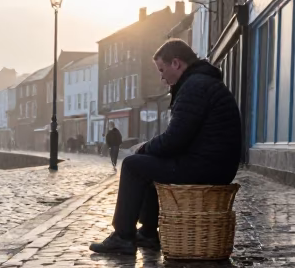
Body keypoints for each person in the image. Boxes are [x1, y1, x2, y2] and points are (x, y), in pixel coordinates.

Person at [90, 39, 242, 254]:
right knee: (152, 164)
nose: (162, 78)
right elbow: (181, 138)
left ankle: (123, 236)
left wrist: (142, 148)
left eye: (162, 70)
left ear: (176, 64)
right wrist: (150, 149)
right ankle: (148, 233)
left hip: (208, 167)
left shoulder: (194, 87)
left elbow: (174, 140)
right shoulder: (202, 83)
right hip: (215, 164)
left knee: (134, 165)